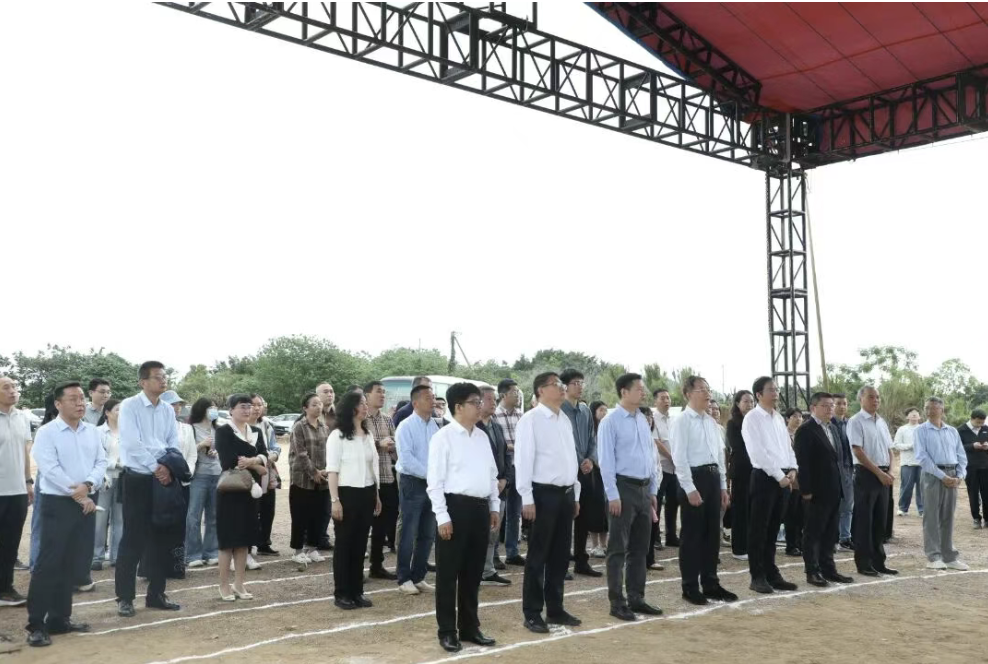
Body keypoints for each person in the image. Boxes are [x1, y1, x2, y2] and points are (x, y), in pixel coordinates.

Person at [26, 382, 106, 647]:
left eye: (82, 398)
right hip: (57, 504)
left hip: (85, 502)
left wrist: (89, 485)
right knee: (48, 564)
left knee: (72, 562)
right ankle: (36, 624)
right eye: (73, 398)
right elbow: (49, 469)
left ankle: (60, 619)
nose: (80, 403)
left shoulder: (91, 431)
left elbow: (101, 462)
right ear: (58, 404)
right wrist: (80, 494)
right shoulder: (47, 432)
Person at [427, 383, 499, 652]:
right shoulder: (443, 437)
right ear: (458, 406)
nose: (480, 406)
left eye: (481, 402)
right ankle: (447, 630)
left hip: (480, 509)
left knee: (473, 572)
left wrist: (494, 506)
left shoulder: (482, 437)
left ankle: (470, 626)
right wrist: (442, 516)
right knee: (448, 574)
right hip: (454, 508)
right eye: (475, 402)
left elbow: (491, 475)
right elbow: (434, 482)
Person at [515, 372, 582, 633]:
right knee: (538, 556)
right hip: (542, 495)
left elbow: (570, 458)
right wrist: (527, 497)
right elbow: (523, 460)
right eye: (556, 384)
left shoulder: (563, 418)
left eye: (562, 384)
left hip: (565, 494)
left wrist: (575, 493)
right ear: (541, 390)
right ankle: (532, 612)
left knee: (560, 556)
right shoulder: (530, 420)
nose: (562, 388)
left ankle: (555, 608)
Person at [115, 361, 182, 618]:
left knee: (161, 537)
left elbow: (172, 440)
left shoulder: (167, 409)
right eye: (157, 377)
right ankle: (125, 597)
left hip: (162, 477)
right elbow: (131, 443)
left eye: (164, 376)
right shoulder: (130, 406)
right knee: (133, 538)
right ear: (143, 382)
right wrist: (156, 466)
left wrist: (166, 465)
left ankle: (156, 594)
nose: (163, 380)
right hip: (138, 478)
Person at [597, 373, 661, 622]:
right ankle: (617, 602)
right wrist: (612, 494)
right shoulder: (610, 422)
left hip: (644, 490)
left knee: (640, 548)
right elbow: (606, 461)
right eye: (639, 389)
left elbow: (650, 457)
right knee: (617, 549)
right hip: (622, 489)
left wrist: (652, 490)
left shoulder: (642, 420)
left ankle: (637, 597)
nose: (643, 393)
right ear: (624, 392)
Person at [670, 376, 737, 606]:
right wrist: (689, 488)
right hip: (693, 478)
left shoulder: (711, 422)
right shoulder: (681, 421)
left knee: (712, 534)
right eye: (701, 389)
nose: (707, 393)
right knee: (692, 536)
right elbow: (679, 457)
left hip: (712, 478)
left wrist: (722, 486)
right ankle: (689, 587)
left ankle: (711, 583)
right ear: (688, 394)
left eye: (708, 389)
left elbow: (719, 456)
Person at [742, 377, 799, 594]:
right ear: (759, 394)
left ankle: (771, 573)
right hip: (765, 478)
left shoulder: (778, 418)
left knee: (773, 528)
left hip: (783, 478)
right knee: (759, 529)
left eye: (777, 389)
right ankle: (757, 576)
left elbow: (788, 447)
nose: (776, 393)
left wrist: (792, 469)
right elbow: (757, 453)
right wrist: (778, 475)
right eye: (771, 390)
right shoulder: (752, 418)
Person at [327, 391, 382, 610]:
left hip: (367, 493)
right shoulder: (337, 436)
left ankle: (357, 591)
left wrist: (376, 495)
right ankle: (342, 593)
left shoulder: (367, 435)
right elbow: (332, 470)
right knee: (344, 544)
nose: (366, 407)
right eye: (362, 404)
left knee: (360, 545)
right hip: (346, 494)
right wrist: (335, 500)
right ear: (351, 408)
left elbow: (372, 467)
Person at [793, 392, 854, 587]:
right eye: (825, 405)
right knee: (813, 533)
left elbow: (838, 459)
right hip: (816, 492)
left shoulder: (833, 428)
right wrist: (806, 490)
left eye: (832, 405)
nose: (830, 409)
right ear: (813, 408)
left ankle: (829, 569)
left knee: (830, 532)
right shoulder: (806, 430)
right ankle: (812, 571)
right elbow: (803, 462)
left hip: (834, 489)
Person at [215, 394, 268, 601]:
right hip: (230, 491)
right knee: (228, 541)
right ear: (231, 410)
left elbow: (265, 456)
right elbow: (228, 461)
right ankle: (223, 585)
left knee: (244, 540)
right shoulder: (224, 431)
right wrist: (257, 464)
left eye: (249, 406)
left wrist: (253, 461)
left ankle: (239, 584)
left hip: (250, 492)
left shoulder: (256, 431)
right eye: (242, 406)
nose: (247, 410)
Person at [914, 397, 969, 571]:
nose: (929, 411)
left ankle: (949, 556)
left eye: (933, 407)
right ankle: (934, 556)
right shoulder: (920, 430)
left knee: (948, 516)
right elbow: (922, 457)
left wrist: (960, 475)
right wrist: (941, 476)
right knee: (931, 516)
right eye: (927, 407)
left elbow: (961, 455)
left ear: (942, 410)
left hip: (952, 474)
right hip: (932, 475)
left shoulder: (952, 431)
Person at [848, 385, 897, 577]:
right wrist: (878, 473)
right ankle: (864, 563)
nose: (875, 400)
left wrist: (890, 471)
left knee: (880, 520)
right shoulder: (856, 421)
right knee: (864, 521)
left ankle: (879, 562)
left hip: (884, 475)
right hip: (867, 475)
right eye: (871, 397)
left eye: (877, 397)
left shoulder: (881, 422)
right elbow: (858, 451)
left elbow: (889, 449)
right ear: (861, 399)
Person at [395, 384, 440, 594]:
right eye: (428, 398)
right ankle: (404, 578)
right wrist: (431, 475)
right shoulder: (405, 426)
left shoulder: (435, 426)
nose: (433, 401)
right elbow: (406, 459)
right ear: (415, 403)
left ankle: (419, 576)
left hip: (432, 484)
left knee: (428, 533)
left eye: (433, 397)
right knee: (409, 531)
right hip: (413, 483)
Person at [561, 370, 603, 578]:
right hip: (566, 470)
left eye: (581, 382)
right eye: (575, 383)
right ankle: (561, 563)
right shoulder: (559, 410)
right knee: (564, 517)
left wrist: (590, 460)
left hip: (586, 471)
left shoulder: (585, 410)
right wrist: (580, 461)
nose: (580, 386)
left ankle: (581, 560)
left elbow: (592, 439)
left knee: (584, 517)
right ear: (565, 386)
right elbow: (563, 443)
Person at [0, 376, 32, 607]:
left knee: (10, 544)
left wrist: (28, 481)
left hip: (18, 491)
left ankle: (5, 589)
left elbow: (25, 452)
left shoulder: (22, 417)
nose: (13, 391)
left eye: (14, 386)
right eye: (6, 387)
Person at [288, 393, 330, 566]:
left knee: (319, 515)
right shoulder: (299, 427)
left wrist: (325, 471)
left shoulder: (324, 427)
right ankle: (298, 551)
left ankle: (312, 548)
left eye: (319, 404)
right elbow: (301, 454)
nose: (318, 407)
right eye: (314, 404)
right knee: (300, 516)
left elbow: (328, 451)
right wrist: (314, 473)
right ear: (305, 408)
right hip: (302, 479)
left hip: (323, 479)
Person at [159, 390, 197, 579]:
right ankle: (156, 566)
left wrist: (184, 472)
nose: (177, 407)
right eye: (173, 404)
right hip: (161, 482)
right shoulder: (155, 427)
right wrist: (166, 474)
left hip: (182, 481)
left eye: (178, 404)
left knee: (179, 523)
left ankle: (176, 566)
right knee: (160, 524)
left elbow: (192, 454)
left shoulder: (186, 428)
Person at [364, 381, 399, 581]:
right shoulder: (360, 419)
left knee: (382, 525)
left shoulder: (387, 419)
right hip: (367, 480)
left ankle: (376, 566)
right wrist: (379, 444)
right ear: (367, 395)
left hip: (386, 477)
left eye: (384, 392)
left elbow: (394, 446)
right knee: (362, 525)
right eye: (378, 392)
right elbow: (360, 447)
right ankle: (355, 570)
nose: (382, 395)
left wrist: (393, 446)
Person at [476, 385, 511, 588]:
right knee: (479, 533)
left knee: (493, 532)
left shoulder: (497, 427)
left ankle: (488, 570)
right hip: (481, 489)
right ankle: (476, 570)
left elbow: (506, 455)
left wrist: (505, 479)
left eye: (494, 399)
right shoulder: (473, 428)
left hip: (499, 489)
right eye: (489, 399)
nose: (494, 403)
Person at [186, 399, 221, 568]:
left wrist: (216, 452)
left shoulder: (218, 429)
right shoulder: (191, 429)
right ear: (202, 409)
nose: (214, 410)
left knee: (213, 516)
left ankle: (211, 552)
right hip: (198, 476)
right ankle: (193, 554)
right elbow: (185, 451)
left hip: (217, 474)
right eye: (210, 407)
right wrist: (201, 445)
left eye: (215, 407)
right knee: (193, 516)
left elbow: (224, 450)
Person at [493, 378, 524, 567]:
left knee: (515, 512)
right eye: (514, 392)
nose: (518, 396)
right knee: (499, 511)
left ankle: (512, 552)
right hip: (503, 469)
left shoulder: (521, 415)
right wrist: (514, 446)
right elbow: (498, 444)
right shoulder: (494, 415)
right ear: (504, 395)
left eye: (518, 392)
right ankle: (494, 554)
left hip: (519, 467)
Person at [246, 394, 277, 565]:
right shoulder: (238, 427)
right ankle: (248, 546)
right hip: (247, 475)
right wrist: (258, 461)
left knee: (267, 509)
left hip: (266, 472)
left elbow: (274, 447)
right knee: (251, 511)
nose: (257, 408)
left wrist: (271, 456)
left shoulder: (266, 425)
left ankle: (264, 542)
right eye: (253, 404)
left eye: (260, 404)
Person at [93, 399, 124, 571]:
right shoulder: (98, 432)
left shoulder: (128, 431)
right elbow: (97, 456)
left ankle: (117, 556)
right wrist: (115, 463)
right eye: (118, 409)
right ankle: (96, 556)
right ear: (107, 412)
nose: (121, 413)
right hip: (104, 479)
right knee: (100, 519)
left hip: (123, 478)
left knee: (120, 519)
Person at [726, 390, 754, 561]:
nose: (749, 404)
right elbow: (737, 446)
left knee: (752, 509)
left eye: (751, 401)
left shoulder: (756, 421)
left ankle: (750, 545)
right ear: (737, 404)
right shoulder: (733, 423)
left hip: (756, 471)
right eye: (746, 401)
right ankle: (739, 548)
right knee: (740, 510)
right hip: (741, 471)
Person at [652, 389, 678, 550]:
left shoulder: (674, 419)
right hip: (661, 467)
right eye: (662, 398)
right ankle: (655, 537)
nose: (666, 401)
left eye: (668, 398)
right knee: (657, 502)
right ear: (655, 401)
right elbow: (656, 442)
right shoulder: (652, 418)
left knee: (673, 502)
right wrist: (671, 457)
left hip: (675, 469)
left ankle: (671, 536)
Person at [643, 407, 665, 572]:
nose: (648, 419)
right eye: (644, 416)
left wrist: (655, 487)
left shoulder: (651, 440)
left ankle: (649, 559)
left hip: (652, 488)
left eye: (650, 416)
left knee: (652, 523)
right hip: (637, 487)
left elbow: (656, 466)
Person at [832, 394, 855, 550]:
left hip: (850, 468)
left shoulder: (850, 424)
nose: (842, 406)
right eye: (838, 403)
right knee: (834, 505)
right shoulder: (829, 425)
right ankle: (832, 537)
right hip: (834, 469)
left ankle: (845, 537)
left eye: (844, 403)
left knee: (848, 505)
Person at [315, 381, 336, 551]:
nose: (329, 394)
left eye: (331, 391)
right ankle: (315, 539)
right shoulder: (311, 415)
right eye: (325, 392)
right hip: (317, 466)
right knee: (318, 506)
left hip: (335, 466)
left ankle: (324, 538)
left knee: (332, 505)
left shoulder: (341, 415)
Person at [959, 409, 988, 528]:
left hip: (985, 466)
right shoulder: (961, 430)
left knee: (986, 493)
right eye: (978, 422)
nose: (980, 425)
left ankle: (987, 519)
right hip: (970, 467)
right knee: (973, 493)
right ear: (972, 418)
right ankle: (976, 518)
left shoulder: (986, 429)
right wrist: (972, 446)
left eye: (982, 423)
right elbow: (957, 448)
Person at [588, 400, 609, 557]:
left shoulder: (608, 428)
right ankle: (595, 545)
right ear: (594, 412)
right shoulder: (591, 431)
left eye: (606, 410)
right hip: (594, 473)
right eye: (601, 410)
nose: (604, 413)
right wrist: (599, 464)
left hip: (607, 473)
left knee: (606, 509)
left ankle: (604, 544)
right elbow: (592, 450)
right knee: (595, 508)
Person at [893, 408, 924, 517]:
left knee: (922, 487)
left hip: (922, 463)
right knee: (906, 486)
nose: (914, 415)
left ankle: (922, 510)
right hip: (907, 463)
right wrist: (910, 446)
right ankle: (903, 508)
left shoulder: (923, 429)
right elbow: (896, 445)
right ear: (907, 416)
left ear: (919, 416)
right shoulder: (902, 429)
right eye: (912, 414)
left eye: (916, 413)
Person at [782, 407, 805, 557]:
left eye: (800, 416)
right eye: (795, 416)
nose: (798, 419)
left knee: (802, 513)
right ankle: (791, 545)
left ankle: (800, 542)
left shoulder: (802, 434)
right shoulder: (783, 435)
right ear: (787, 419)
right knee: (791, 512)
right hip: (790, 476)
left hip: (804, 477)